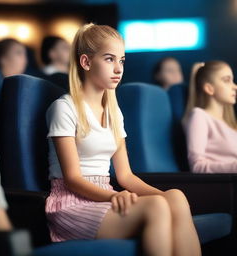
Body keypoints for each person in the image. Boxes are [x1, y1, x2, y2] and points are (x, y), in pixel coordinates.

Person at [45, 23, 201, 256]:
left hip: (106, 195)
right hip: (71, 202)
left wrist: (169, 198)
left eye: (122, 60)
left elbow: (125, 176)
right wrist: (114, 195)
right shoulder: (64, 108)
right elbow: (73, 179)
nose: (118, 68)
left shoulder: (114, 112)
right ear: (86, 62)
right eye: (109, 59)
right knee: (157, 205)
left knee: (175, 196)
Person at [183, 61, 237, 173]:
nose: (234, 87)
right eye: (227, 80)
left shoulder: (230, 123)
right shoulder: (199, 116)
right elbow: (197, 166)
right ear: (209, 88)